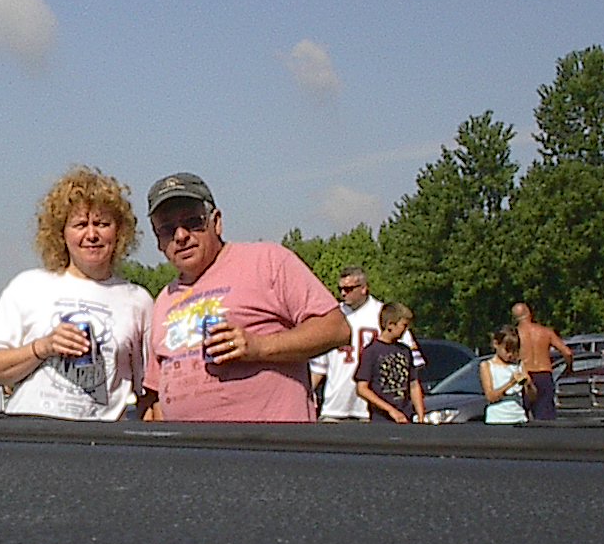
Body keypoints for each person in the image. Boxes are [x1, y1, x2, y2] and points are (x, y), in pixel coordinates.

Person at [141, 172, 348, 422]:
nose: (181, 236)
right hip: (193, 454)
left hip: (269, 448)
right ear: (158, 240)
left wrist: (259, 346)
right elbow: (156, 397)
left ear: (216, 222)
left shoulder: (267, 261)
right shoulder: (163, 300)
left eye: (193, 222)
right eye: (167, 229)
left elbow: (336, 328)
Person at [0, 167, 154, 420]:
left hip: (100, 445)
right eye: (80, 224)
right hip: (30, 438)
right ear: (61, 233)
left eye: (102, 224)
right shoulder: (27, 286)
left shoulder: (138, 300)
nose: (91, 235)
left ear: (120, 232)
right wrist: (44, 346)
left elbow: (148, 390)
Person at [309, 264, 425, 421]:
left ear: (364, 288)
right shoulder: (332, 317)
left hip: (370, 411)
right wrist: (306, 397)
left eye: (349, 289)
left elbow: (411, 372)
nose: (343, 293)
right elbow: (318, 370)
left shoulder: (385, 315)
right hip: (335, 408)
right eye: (340, 289)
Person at [354, 302, 424, 423]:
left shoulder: (405, 350)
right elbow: (362, 389)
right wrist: (390, 410)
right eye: (404, 325)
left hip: (406, 416)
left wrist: (421, 416)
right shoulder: (371, 351)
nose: (406, 330)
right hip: (382, 420)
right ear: (390, 324)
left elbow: (413, 384)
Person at [510, 302, 574, 420]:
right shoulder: (545, 331)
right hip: (544, 374)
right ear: (529, 313)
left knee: (520, 414)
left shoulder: (514, 335)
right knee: (545, 419)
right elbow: (567, 352)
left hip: (524, 376)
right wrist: (569, 368)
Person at [480, 326, 533, 425]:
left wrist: (528, 384)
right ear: (496, 344)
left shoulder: (519, 365)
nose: (510, 355)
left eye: (514, 351)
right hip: (498, 418)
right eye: (507, 350)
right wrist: (510, 383)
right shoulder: (487, 366)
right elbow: (490, 397)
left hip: (518, 417)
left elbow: (532, 397)